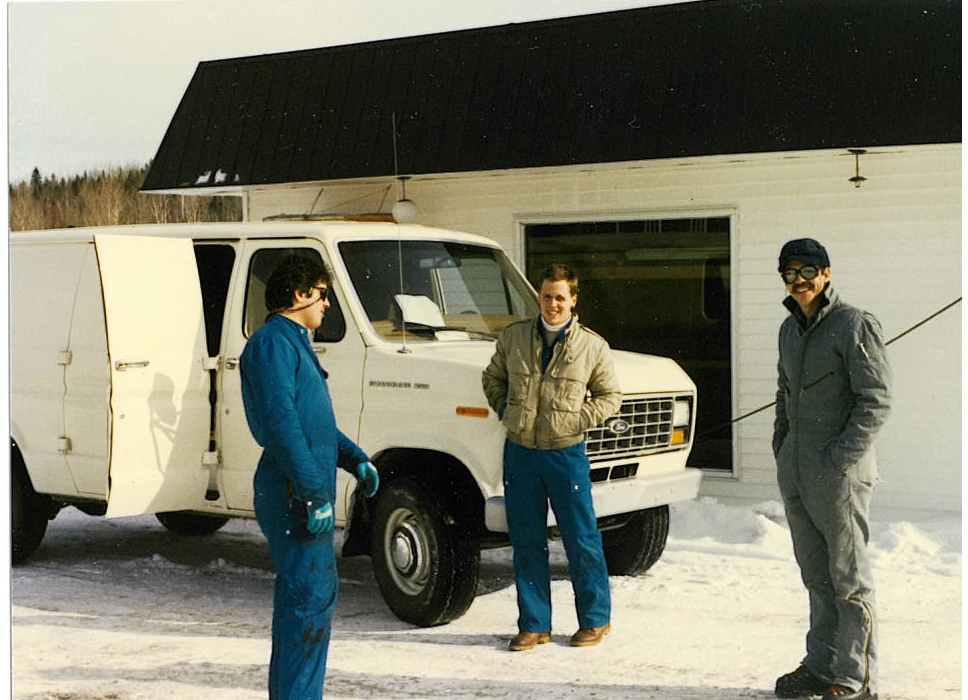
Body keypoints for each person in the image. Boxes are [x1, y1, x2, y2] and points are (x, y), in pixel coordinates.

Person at [240, 253, 380, 700]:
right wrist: (313, 493)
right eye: (323, 295)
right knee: (308, 605)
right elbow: (283, 426)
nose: (327, 305)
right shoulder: (273, 345)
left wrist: (355, 458)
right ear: (299, 294)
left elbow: (312, 423)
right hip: (291, 490)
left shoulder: (293, 341)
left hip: (300, 487)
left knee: (308, 605)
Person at [772, 239, 891, 700]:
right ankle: (822, 666)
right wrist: (783, 446)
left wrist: (841, 457)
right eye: (789, 273)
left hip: (838, 474)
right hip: (799, 470)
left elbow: (875, 399)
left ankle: (856, 679)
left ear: (825, 274)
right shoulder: (788, 329)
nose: (798, 281)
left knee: (849, 578)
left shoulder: (853, 324)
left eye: (807, 272)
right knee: (816, 576)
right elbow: (783, 393)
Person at [481, 263, 621, 651]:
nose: (552, 304)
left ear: (573, 300)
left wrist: (576, 420)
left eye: (560, 297)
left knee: (581, 538)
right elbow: (492, 378)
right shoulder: (514, 338)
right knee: (526, 540)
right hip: (521, 454)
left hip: (565, 454)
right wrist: (507, 412)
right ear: (538, 298)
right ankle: (534, 624)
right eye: (546, 296)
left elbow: (611, 397)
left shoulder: (592, 346)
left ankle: (595, 619)